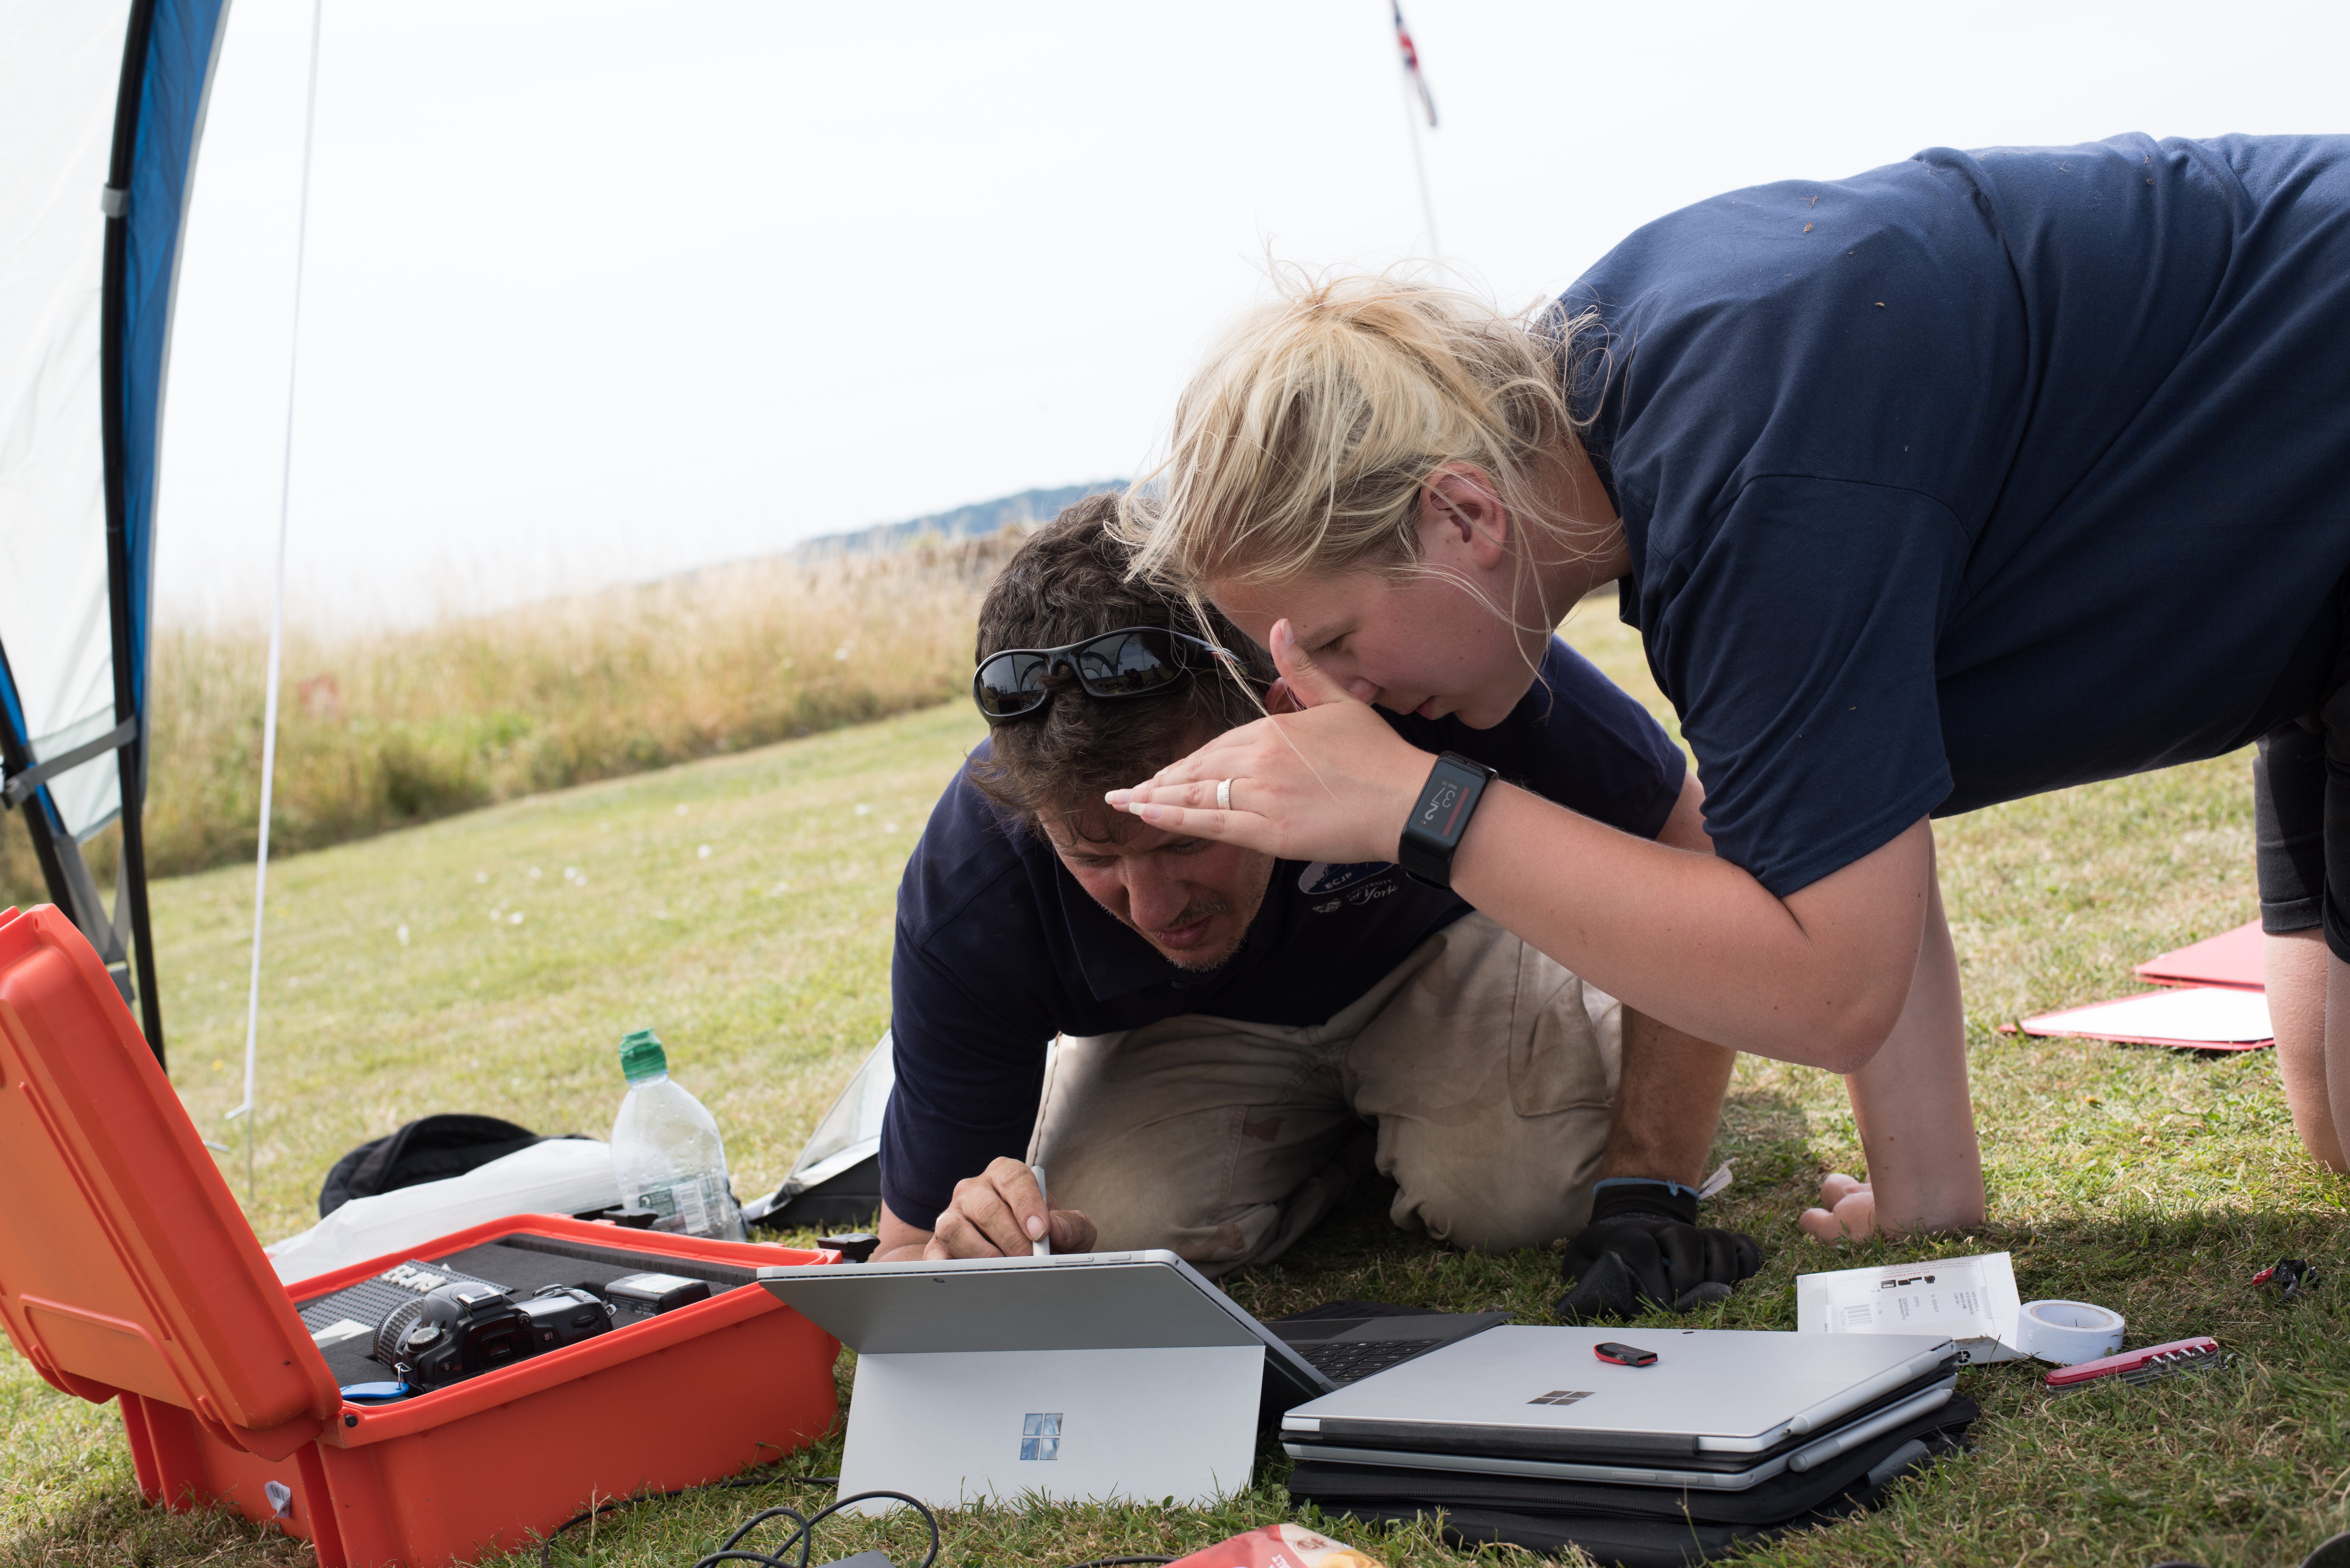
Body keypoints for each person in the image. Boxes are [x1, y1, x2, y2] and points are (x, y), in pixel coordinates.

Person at [1105, 133, 2350, 1241]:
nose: (1331, 699)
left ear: (1463, 512)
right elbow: (1848, 835)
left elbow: (1828, 986)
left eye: (1331, 640)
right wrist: (1928, 1212)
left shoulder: (1750, 468)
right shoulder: (1630, 426)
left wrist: (1423, 809)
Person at [871, 494, 1760, 1311]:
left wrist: (1650, 1187)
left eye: (1187, 835)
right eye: (1093, 856)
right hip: (1205, 1033)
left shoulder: (1408, 659)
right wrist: (966, 1261)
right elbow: (904, 1257)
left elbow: (1682, 831)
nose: (1152, 906)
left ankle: (1566, 1038)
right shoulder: (973, 883)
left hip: (1444, 949)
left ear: (1282, 712)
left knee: (1523, 1194)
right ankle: (1348, 1148)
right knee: (1111, 1240)